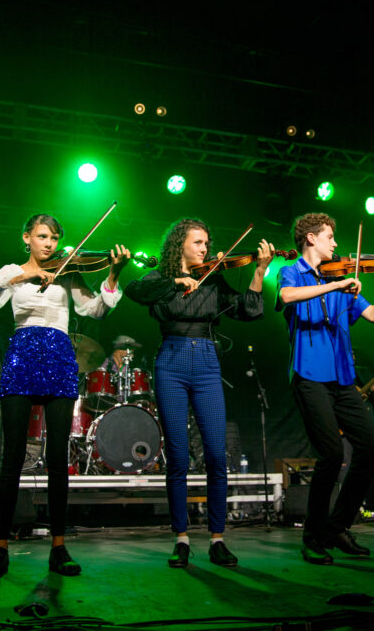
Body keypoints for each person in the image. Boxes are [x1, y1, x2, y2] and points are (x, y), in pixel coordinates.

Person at [0, 214, 129, 579]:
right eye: (42, 236)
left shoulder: (68, 271)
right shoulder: (12, 270)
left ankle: (59, 547)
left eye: (55, 238)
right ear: (26, 237)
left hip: (58, 354)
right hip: (23, 352)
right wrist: (24, 276)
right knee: (11, 457)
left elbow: (96, 310)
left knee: (58, 458)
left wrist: (113, 274)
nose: (49, 244)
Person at [125, 218, 272, 568]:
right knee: (177, 456)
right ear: (180, 246)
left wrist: (259, 272)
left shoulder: (214, 278)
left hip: (207, 362)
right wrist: (175, 282)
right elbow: (135, 291)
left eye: (207, 243)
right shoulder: (160, 280)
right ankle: (181, 538)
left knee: (216, 456)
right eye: (198, 243)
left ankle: (218, 539)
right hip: (171, 362)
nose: (205, 249)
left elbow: (250, 310)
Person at [277, 212, 374, 565]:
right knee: (331, 454)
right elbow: (288, 296)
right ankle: (313, 534)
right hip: (309, 377)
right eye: (329, 237)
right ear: (310, 238)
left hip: (343, 379)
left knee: (369, 450)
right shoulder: (293, 272)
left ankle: (337, 527)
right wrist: (335, 285)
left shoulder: (342, 278)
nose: (336, 244)